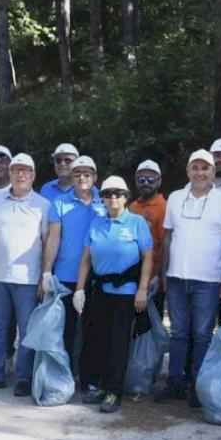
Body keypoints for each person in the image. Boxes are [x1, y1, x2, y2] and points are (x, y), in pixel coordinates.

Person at [159, 150, 221, 407]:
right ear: (188, 171)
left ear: (213, 172)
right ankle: (174, 382)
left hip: (209, 279)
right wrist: (164, 273)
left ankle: (198, 385)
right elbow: (168, 237)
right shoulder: (175, 198)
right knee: (179, 332)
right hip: (177, 278)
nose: (200, 173)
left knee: (203, 333)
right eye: (195, 167)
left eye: (205, 168)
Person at [74, 176, 154, 414]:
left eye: (118, 193)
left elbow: (148, 257)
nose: (112, 198)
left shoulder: (137, 223)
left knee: (118, 344)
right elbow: (86, 259)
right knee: (99, 341)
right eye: (107, 194)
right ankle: (100, 385)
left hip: (126, 293)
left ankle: (114, 391)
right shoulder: (97, 223)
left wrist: (142, 289)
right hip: (101, 291)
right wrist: (79, 289)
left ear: (126, 197)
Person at [0, 153, 50, 396]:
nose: (20, 174)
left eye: (26, 170)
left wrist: (45, 275)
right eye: (16, 170)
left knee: (26, 330)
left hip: (29, 280)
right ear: (9, 173)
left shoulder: (42, 205)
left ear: (33, 175)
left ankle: (24, 377)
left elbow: (48, 240)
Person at [40, 155, 104, 375]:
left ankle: (87, 378)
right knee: (65, 330)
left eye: (87, 174)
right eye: (77, 174)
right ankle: (63, 376)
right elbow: (54, 238)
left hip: (96, 276)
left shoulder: (104, 201)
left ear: (95, 177)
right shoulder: (60, 202)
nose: (82, 178)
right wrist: (47, 271)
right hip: (66, 274)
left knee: (92, 330)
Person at [128, 160, 167, 317]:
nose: (146, 183)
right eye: (141, 179)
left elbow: (165, 245)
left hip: (153, 279)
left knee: (150, 324)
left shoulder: (164, 207)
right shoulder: (131, 207)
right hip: (131, 277)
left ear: (159, 181)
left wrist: (159, 275)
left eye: (150, 179)